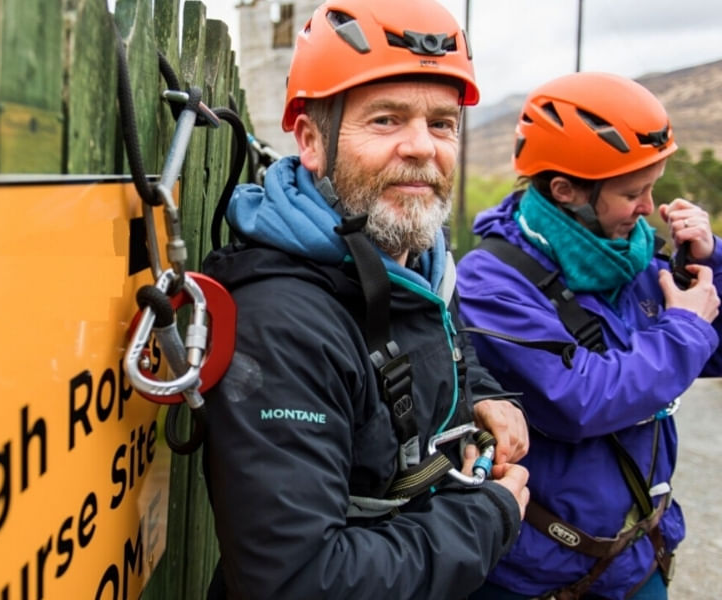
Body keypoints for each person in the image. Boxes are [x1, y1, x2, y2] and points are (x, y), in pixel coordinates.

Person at [198, 0, 531, 597]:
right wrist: (489, 516)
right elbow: (299, 580)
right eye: (386, 120)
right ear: (311, 142)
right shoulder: (283, 323)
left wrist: (482, 397)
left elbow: (440, 347)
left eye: (441, 124)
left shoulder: (420, 265)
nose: (421, 147)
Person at [457, 72, 722, 600]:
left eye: (652, 187)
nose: (649, 208)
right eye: (633, 192)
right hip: (538, 579)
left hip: (639, 560)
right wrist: (686, 326)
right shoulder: (490, 282)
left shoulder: (633, 254)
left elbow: (709, 357)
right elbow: (577, 400)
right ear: (566, 191)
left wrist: (711, 262)